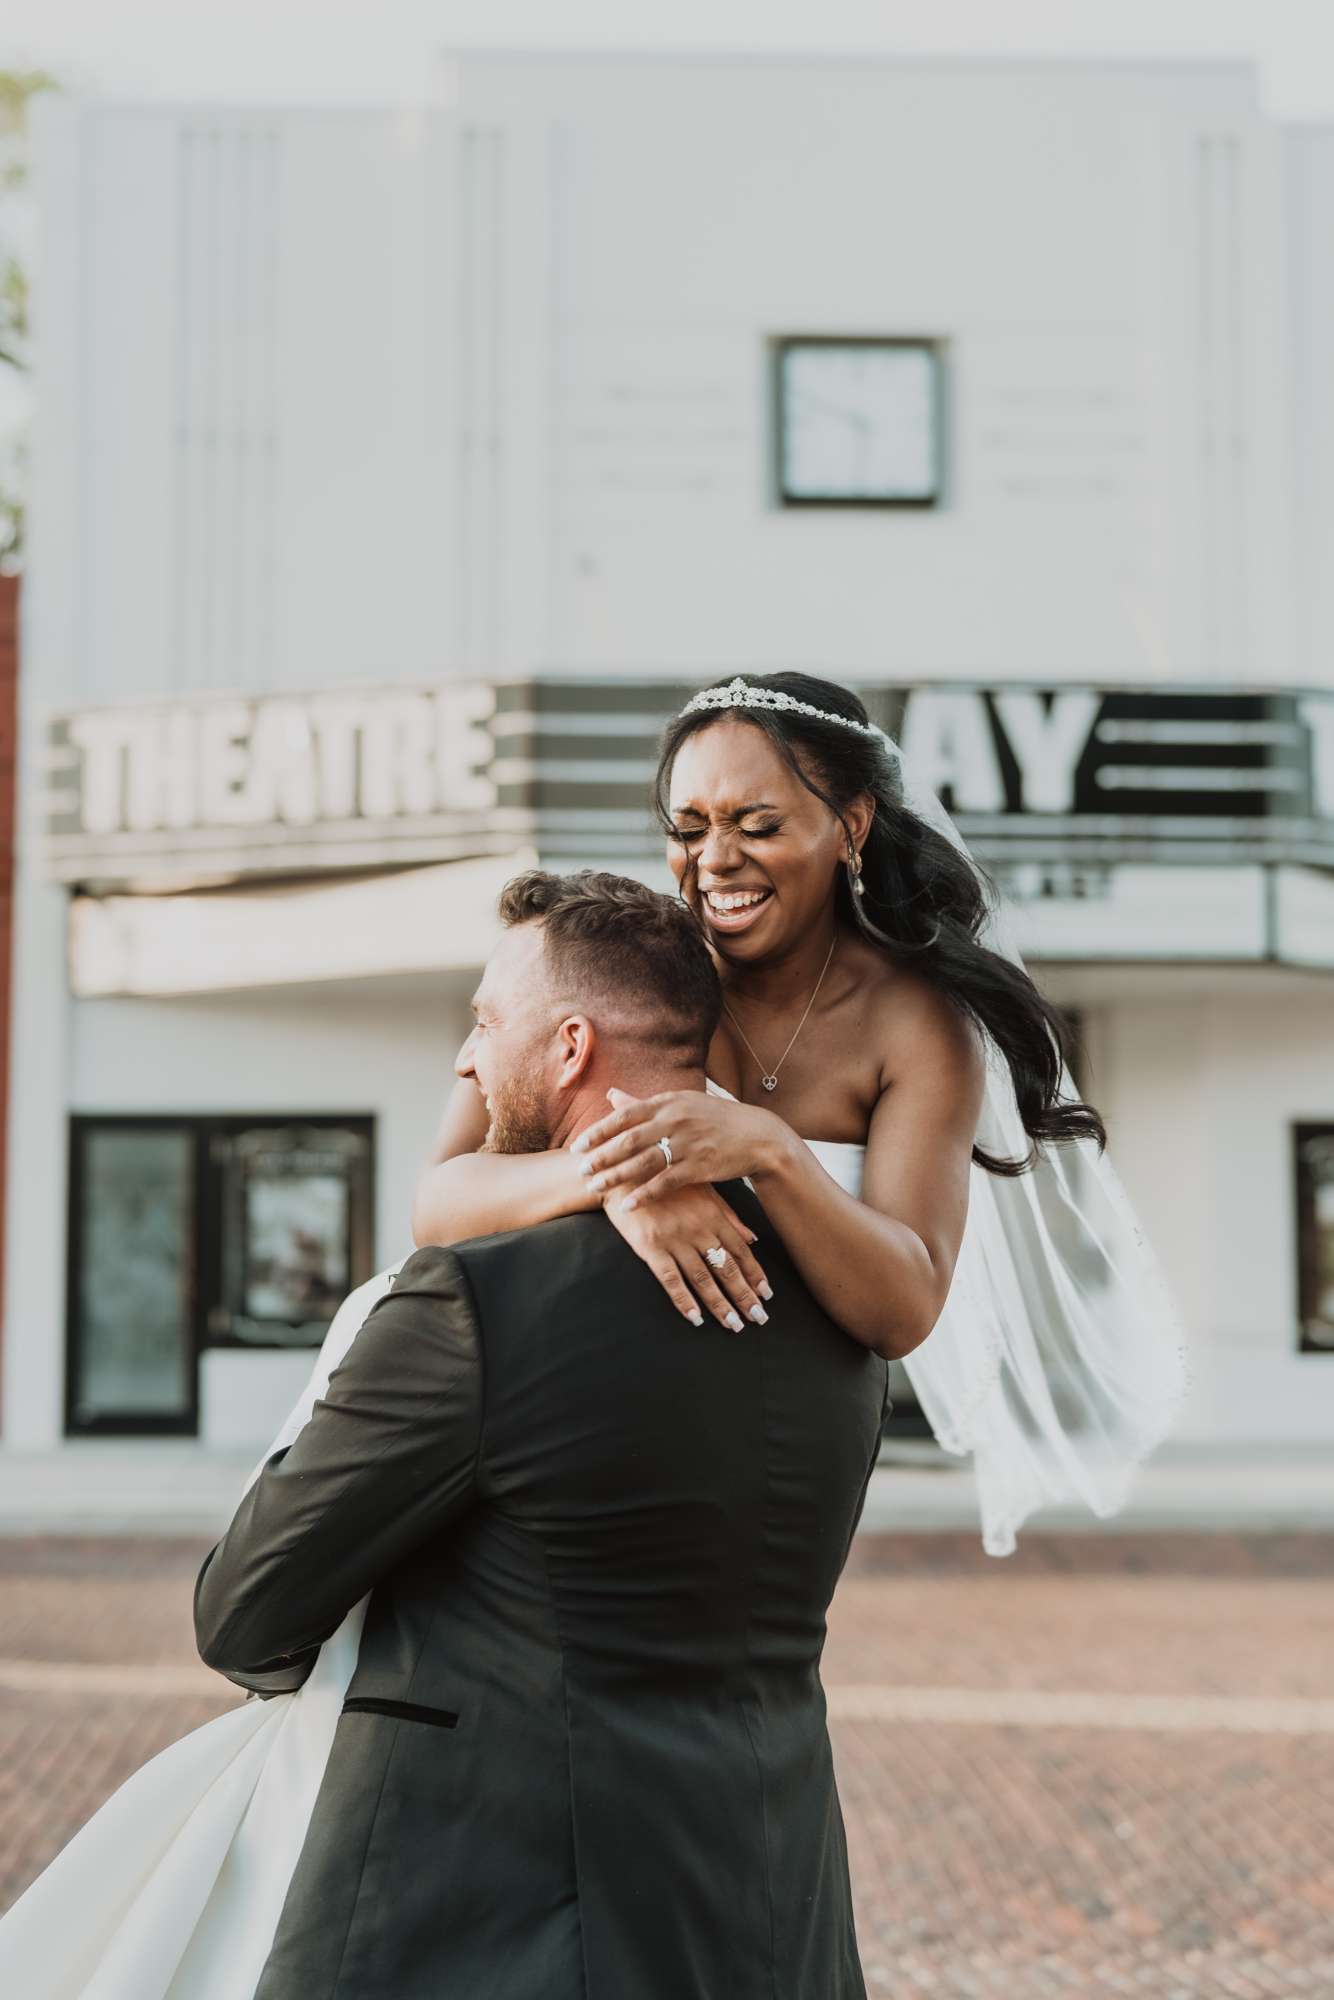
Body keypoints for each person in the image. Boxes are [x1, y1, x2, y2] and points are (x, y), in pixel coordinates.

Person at [0, 672, 1184, 2000]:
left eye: (754, 821)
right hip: (625, 1386)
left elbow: (902, 1299)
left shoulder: (912, 1025)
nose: (711, 860)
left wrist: (769, 1157)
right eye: (687, 827)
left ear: (849, 824)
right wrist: (619, 1176)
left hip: (746, 1396)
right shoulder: (652, 972)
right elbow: (443, 1196)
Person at [194, 868, 887, 2000]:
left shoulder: (474, 1303)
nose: (466, 1061)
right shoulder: (841, 1325)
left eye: (481, 1023)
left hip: (483, 1931)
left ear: (568, 1048)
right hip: (769, 1919)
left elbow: (245, 1613)